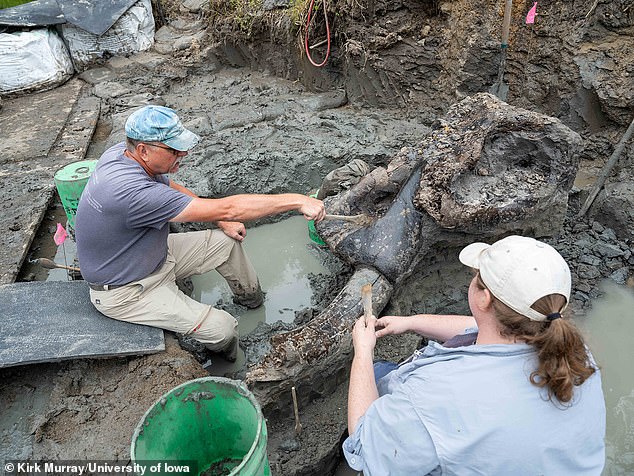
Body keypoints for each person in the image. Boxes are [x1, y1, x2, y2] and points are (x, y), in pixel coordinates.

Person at [75, 105, 325, 361]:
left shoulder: (121, 153)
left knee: (226, 244)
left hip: (150, 253)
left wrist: (220, 220)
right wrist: (297, 200)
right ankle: (228, 360)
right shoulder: (132, 194)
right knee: (223, 329)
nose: (182, 153)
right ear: (143, 150)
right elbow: (230, 207)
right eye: (173, 150)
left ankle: (251, 301)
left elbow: (171, 186)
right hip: (127, 289)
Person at [344, 235, 606, 475]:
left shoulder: (433, 396)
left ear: (484, 298)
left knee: (377, 373)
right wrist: (411, 322)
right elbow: (481, 328)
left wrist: (363, 352)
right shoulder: (573, 351)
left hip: (440, 421)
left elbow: (362, 444)